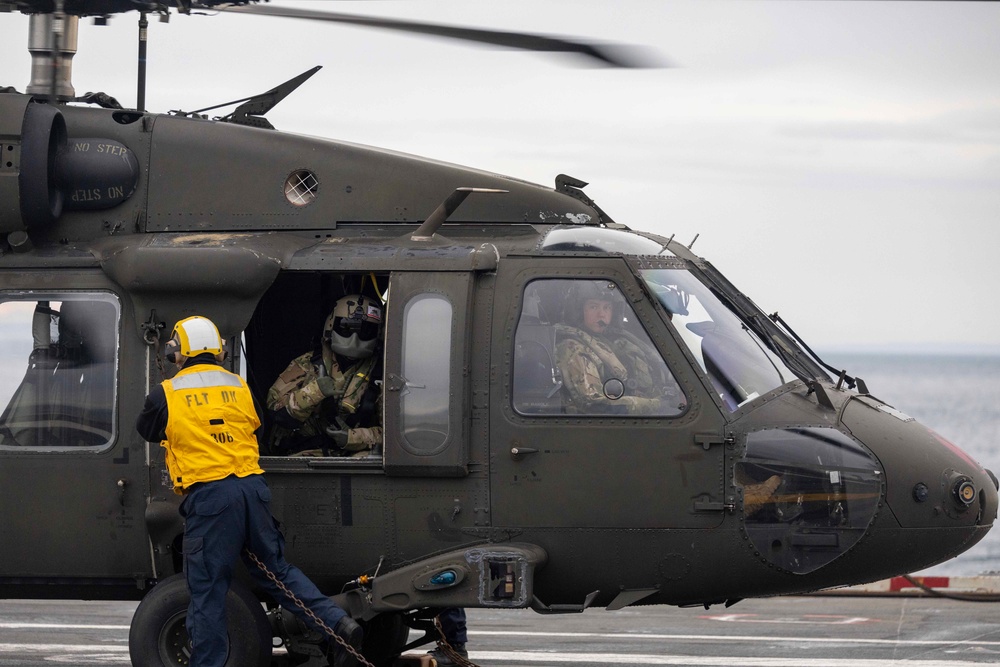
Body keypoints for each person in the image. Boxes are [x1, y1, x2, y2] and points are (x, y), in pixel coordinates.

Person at [135, 316, 362, 667]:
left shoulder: (166, 393)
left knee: (208, 594)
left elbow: (147, 429)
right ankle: (338, 622)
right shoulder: (239, 387)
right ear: (219, 351)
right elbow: (258, 423)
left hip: (211, 497)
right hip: (252, 491)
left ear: (176, 352)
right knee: (278, 573)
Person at [267, 294, 383, 457]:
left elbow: (395, 435)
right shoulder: (307, 364)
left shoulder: (381, 373)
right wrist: (315, 392)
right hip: (305, 453)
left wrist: (352, 438)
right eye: (347, 328)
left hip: (356, 459)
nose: (354, 338)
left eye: (365, 331)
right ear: (331, 326)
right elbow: (276, 412)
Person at [555, 281, 681, 415]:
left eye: (607, 307)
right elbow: (594, 404)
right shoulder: (572, 348)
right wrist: (658, 406)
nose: (601, 314)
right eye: (593, 307)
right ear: (579, 311)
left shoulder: (620, 341)